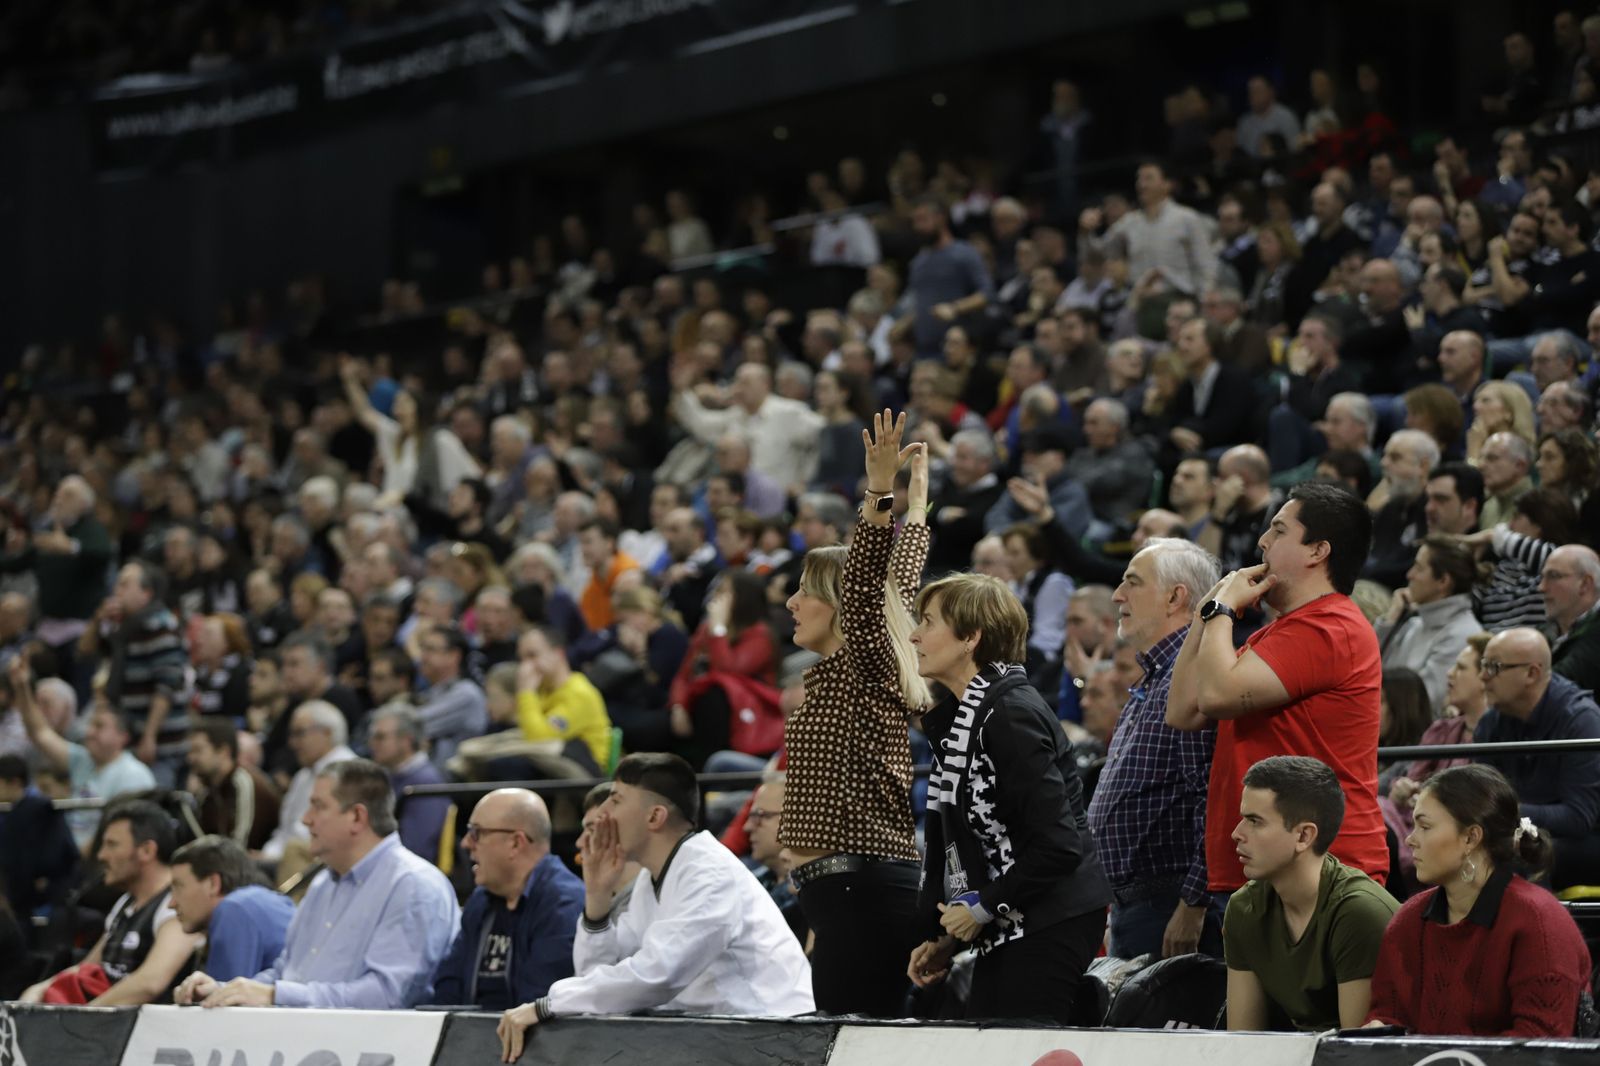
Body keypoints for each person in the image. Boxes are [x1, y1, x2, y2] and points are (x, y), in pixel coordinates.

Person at [495, 755, 813, 1060]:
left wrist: (547, 1005)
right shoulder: (653, 878)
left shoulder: (709, 873)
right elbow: (599, 979)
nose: (604, 813)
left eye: (616, 800)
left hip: (781, 1039)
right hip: (724, 1040)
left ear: (655, 816)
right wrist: (597, 897)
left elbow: (658, 974)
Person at [776, 410, 933, 1017]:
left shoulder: (863, 665)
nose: (791, 601)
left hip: (858, 887)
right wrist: (916, 515)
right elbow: (893, 585)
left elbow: (872, 585)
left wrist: (878, 495)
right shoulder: (855, 668)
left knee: (852, 1043)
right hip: (844, 889)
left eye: (805, 590)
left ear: (839, 604)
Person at [907, 572, 1112, 1022]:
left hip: (1053, 917)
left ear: (971, 637)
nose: (914, 634)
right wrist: (950, 936)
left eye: (928, 622)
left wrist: (980, 907)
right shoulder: (973, 715)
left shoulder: (1009, 714)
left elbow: (1059, 844)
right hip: (1013, 921)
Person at [1169, 482, 1390, 897]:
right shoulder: (1279, 632)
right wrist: (1207, 613)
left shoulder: (1329, 626)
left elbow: (1216, 697)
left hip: (1319, 867)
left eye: (1278, 530)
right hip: (1264, 864)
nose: (1262, 541)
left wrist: (1223, 611)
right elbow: (1183, 711)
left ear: (1317, 551)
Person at [176, 759, 460, 1008]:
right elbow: (286, 972)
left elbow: (387, 997)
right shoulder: (323, 883)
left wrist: (275, 995)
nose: (305, 819)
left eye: (318, 806)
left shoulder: (413, 885)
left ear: (357, 817)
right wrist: (227, 990)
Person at [1366, 765, 1594, 1036]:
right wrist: (1378, 1029)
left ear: (1471, 838)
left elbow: (1541, 1044)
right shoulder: (1409, 920)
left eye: (1424, 826)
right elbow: (1387, 1014)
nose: (1410, 839)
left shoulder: (1539, 921)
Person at [1087, 538, 1221, 960]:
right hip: (1136, 904)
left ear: (1175, 597)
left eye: (1132, 582)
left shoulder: (1195, 673)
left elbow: (1212, 795)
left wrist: (1193, 903)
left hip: (1170, 904)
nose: (1117, 595)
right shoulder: (1154, 676)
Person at [1223, 757, 1399, 1032]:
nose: (1236, 833)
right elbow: (1244, 1044)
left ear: (1304, 836)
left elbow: (1358, 1053)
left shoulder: (1360, 913)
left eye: (1255, 821)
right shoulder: (1244, 907)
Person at [22, 801, 200, 1005]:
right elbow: (87, 967)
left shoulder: (177, 904)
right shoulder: (126, 903)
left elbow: (150, 983)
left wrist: (81, 1016)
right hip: (108, 1026)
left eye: (112, 844)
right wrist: (40, 989)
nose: (101, 855)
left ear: (147, 851)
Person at [430, 788, 584, 1010]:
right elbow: (447, 989)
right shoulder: (481, 899)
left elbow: (537, 1011)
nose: (465, 843)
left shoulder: (564, 905)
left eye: (476, 833)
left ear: (515, 843)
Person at [1471, 628, 1600, 889]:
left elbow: (1578, 817)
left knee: (1520, 853)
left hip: (1585, 840)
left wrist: (1506, 812)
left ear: (1532, 673)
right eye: (1483, 665)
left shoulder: (1580, 721)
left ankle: (1537, 930)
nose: (1483, 676)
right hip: (1525, 830)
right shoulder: (1490, 723)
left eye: (1494, 667)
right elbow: (1481, 797)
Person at [9, 656, 155, 849]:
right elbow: (40, 733)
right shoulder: (83, 760)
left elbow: (129, 838)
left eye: (99, 726)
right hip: (69, 853)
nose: (89, 732)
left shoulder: (133, 775)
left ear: (123, 737)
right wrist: (22, 687)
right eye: (90, 725)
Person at [166, 835, 296, 984]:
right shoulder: (256, 902)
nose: (171, 903)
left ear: (213, 884)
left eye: (178, 887)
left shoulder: (235, 908)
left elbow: (221, 1002)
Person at [1375, 535, 1483, 713]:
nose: (1410, 574)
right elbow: (1368, 673)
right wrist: (1390, 620)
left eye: (1419, 568)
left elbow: (1423, 703)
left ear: (1443, 581)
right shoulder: (1414, 625)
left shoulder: (1462, 635)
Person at [259, 700, 356, 865]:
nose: (292, 743)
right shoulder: (302, 775)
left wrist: (270, 858)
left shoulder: (349, 771)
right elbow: (285, 829)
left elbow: (318, 833)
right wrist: (266, 855)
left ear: (326, 733)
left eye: (299, 733)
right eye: (292, 734)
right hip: (284, 859)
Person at [366, 704, 451, 862]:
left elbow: (415, 849)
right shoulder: (388, 775)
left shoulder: (426, 784)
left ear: (406, 740)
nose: (372, 744)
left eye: (380, 737)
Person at [187, 717, 281, 851]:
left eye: (198, 750)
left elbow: (240, 847)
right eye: (191, 751)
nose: (191, 758)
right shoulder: (208, 790)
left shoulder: (245, 783)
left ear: (223, 752)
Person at [414, 623, 489, 768]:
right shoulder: (430, 692)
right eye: (422, 649)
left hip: (453, 785)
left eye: (430, 649)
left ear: (453, 656)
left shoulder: (466, 693)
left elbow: (411, 725)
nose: (422, 656)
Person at [1542, 545, 1600, 694]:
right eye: (1542, 577)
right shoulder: (1544, 631)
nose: (1541, 587)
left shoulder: (1596, 633)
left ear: (1585, 584)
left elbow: (1552, 687)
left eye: (1553, 576)